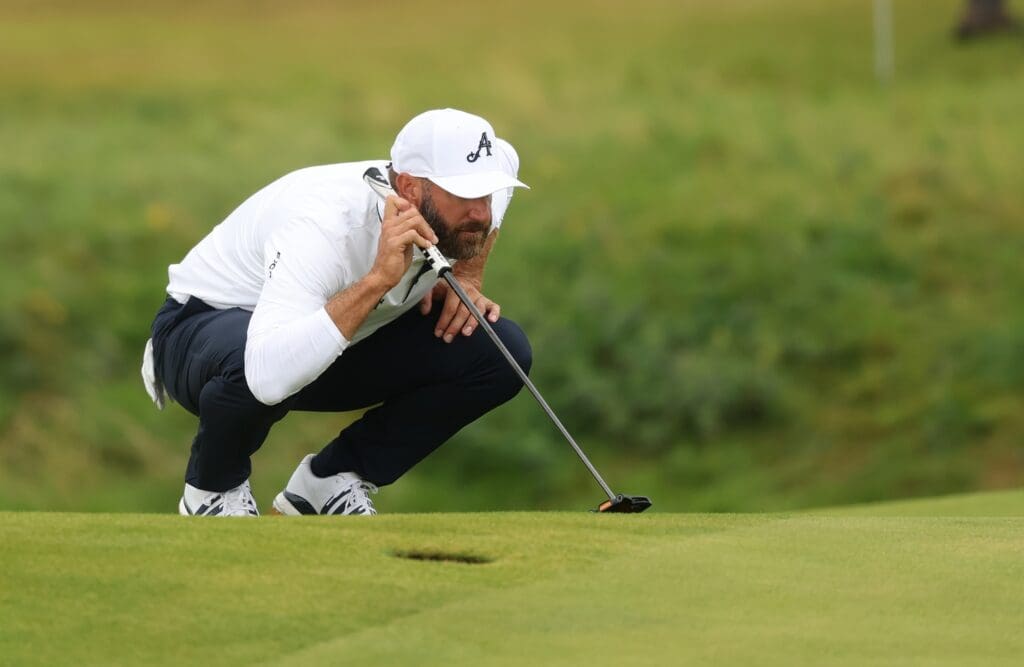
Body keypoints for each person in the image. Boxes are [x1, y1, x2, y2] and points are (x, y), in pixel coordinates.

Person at [141, 108, 532, 516]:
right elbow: (266, 374)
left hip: (335, 341)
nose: (481, 212)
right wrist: (379, 280)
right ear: (411, 189)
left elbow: (502, 177)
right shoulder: (325, 225)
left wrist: (468, 274)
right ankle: (213, 491)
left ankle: (328, 481)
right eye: (465, 195)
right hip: (200, 334)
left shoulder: (483, 189)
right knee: (257, 354)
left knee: (499, 352)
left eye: (486, 193)